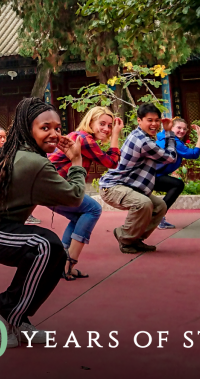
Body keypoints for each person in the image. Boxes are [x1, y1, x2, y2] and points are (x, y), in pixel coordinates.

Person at [0, 98, 86, 349]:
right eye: (45, 127)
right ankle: (3, 307)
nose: (54, 134)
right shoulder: (33, 162)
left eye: (57, 128)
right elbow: (74, 196)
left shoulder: (22, 153)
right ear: (28, 128)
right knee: (46, 246)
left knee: (54, 252)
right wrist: (77, 162)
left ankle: (19, 318)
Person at [47, 106, 124, 279]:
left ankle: (58, 262)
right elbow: (112, 162)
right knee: (93, 209)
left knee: (79, 216)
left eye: (110, 125)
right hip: (57, 188)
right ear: (90, 122)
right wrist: (116, 135)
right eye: (102, 123)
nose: (106, 128)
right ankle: (68, 263)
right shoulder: (84, 139)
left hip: (50, 189)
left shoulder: (78, 136)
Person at [100, 104, 178, 254]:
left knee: (160, 206)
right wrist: (168, 132)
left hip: (129, 186)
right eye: (149, 120)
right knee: (143, 203)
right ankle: (124, 236)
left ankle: (135, 239)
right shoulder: (143, 141)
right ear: (139, 121)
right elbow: (171, 158)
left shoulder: (143, 136)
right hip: (112, 187)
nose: (154, 124)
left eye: (157, 120)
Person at [152, 117, 200, 229]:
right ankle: (157, 216)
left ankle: (157, 215)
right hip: (151, 176)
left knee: (173, 186)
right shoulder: (174, 141)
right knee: (177, 185)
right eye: (178, 127)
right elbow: (194, 154)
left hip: (151, 175)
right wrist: (199, 136)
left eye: (184, 129)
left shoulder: (162, 136)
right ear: (171, 128)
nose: (182, 131)